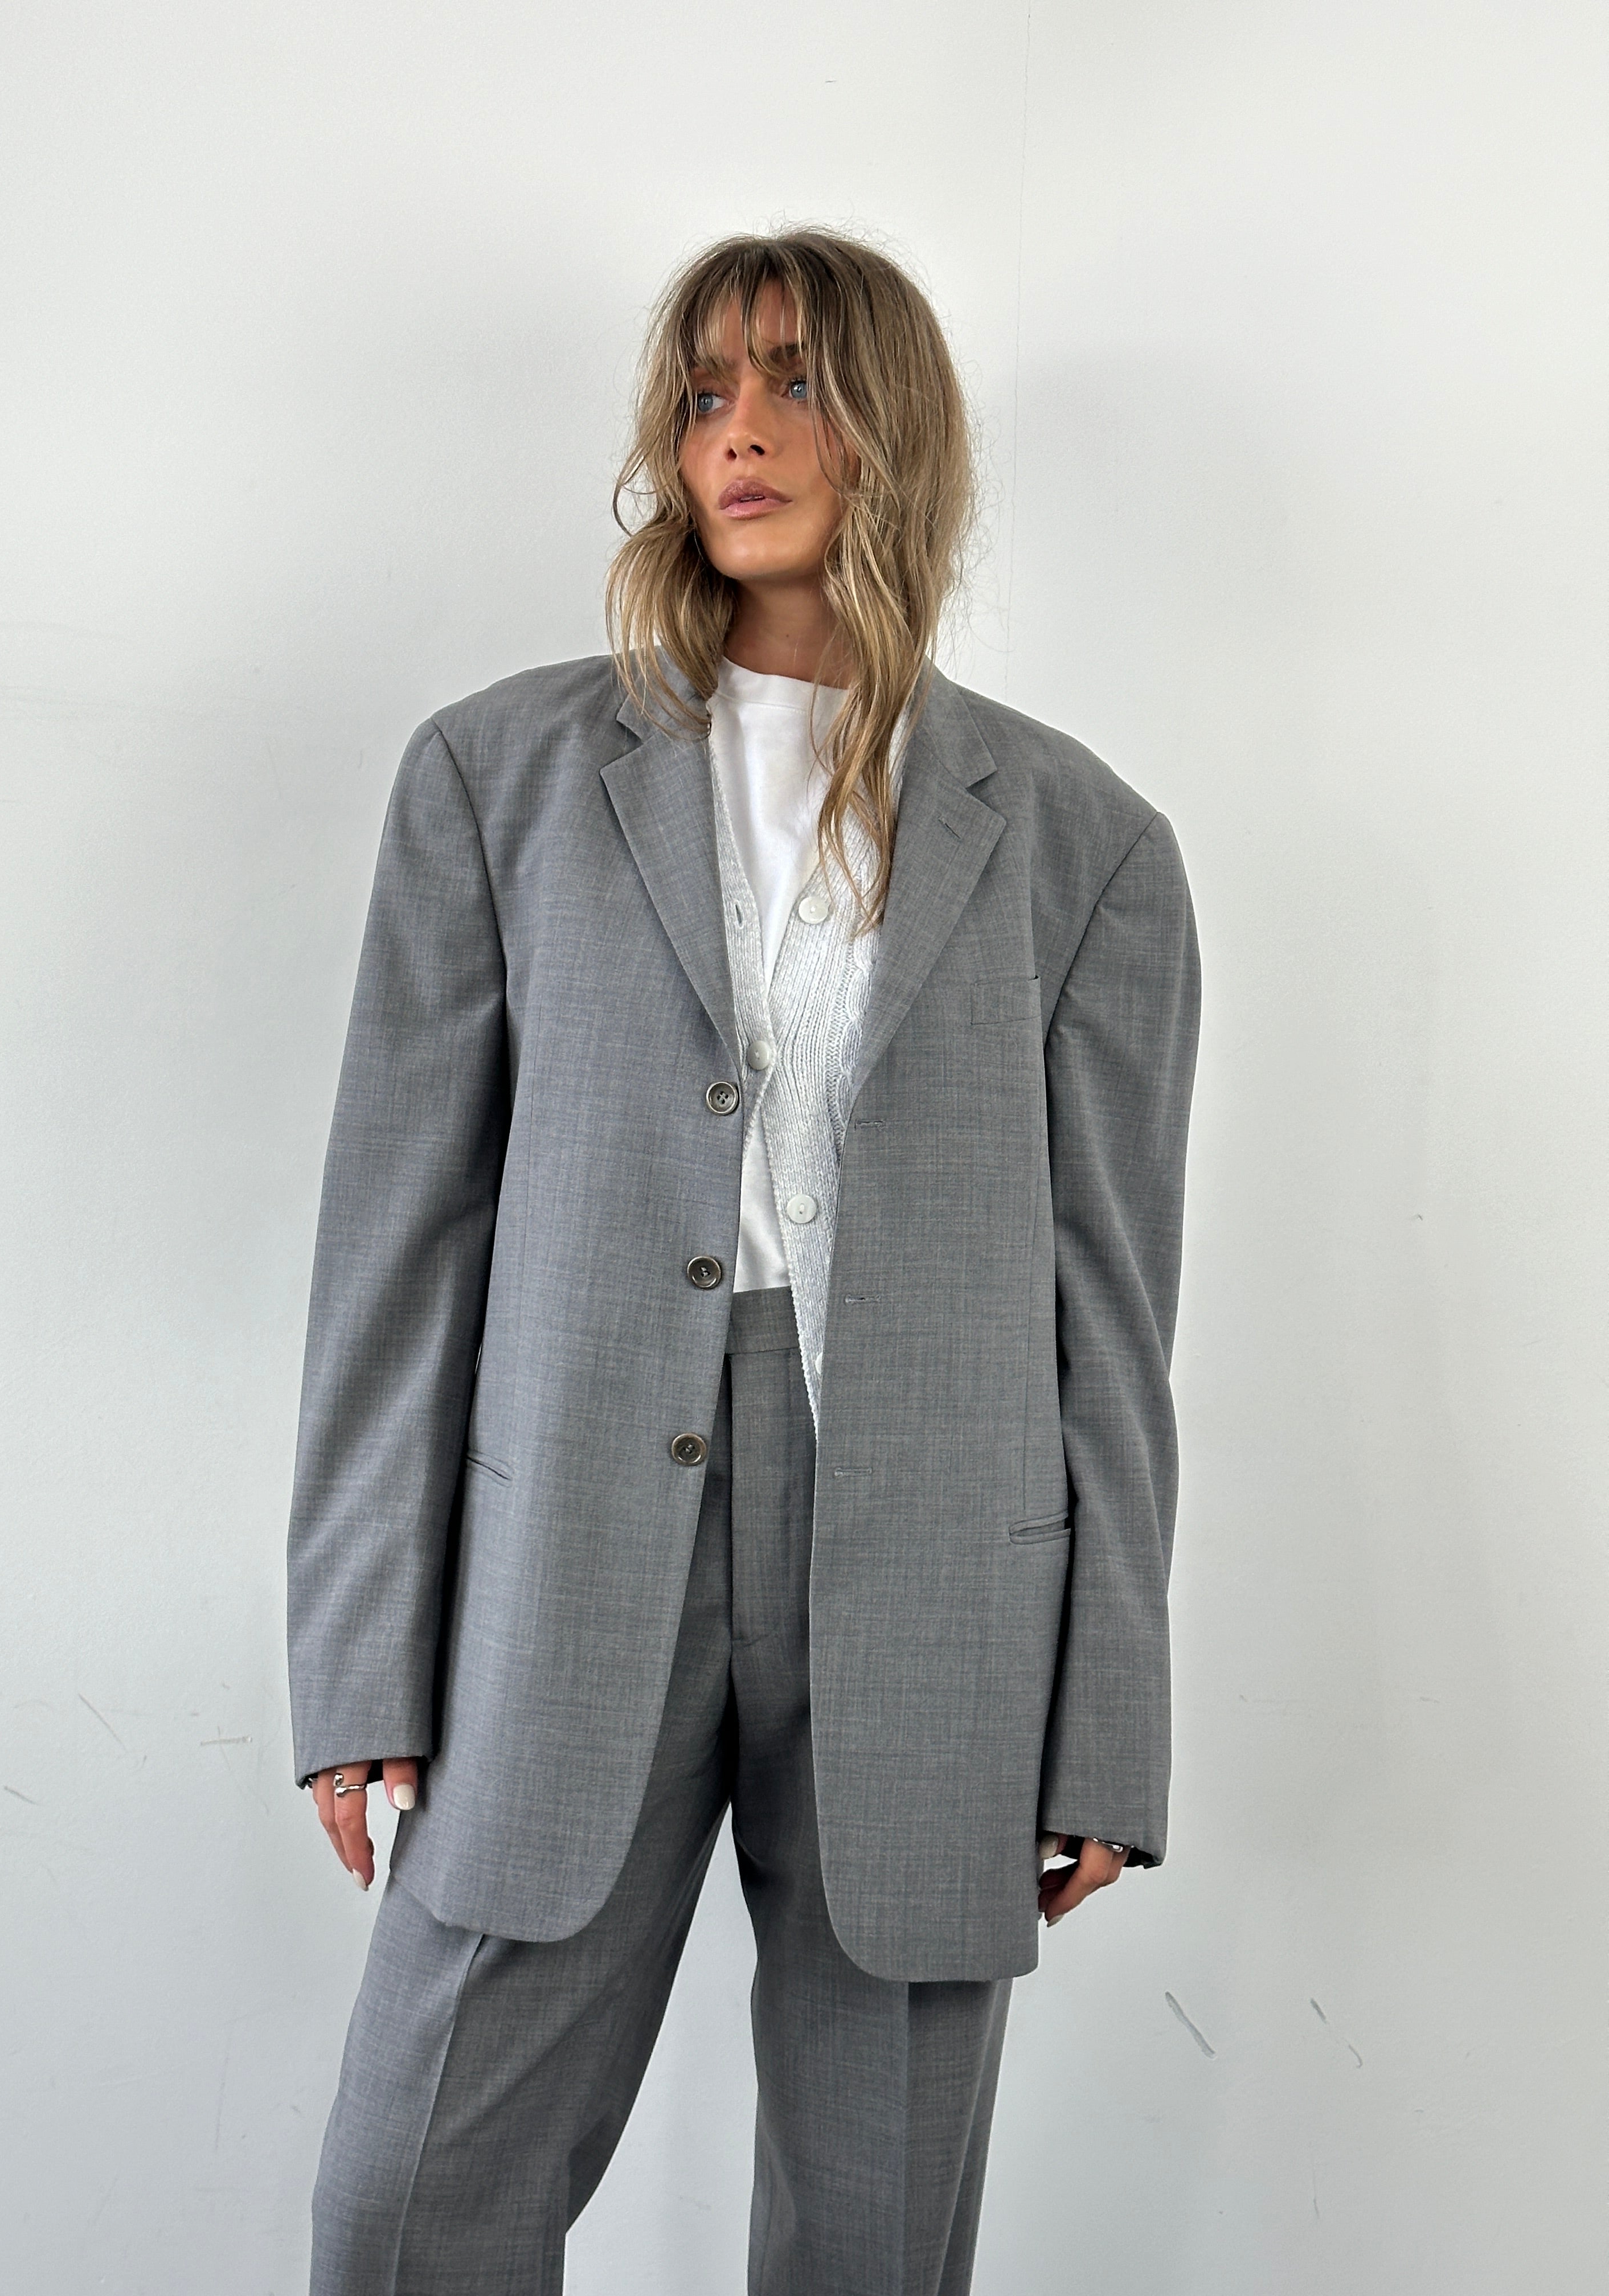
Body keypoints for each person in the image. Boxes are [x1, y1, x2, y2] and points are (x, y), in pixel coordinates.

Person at [285, 227, 1201, 2296]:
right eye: (705, 394)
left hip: (940, 1587)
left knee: (873, 2244)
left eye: (795, 382)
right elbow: (397, 1249)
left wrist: (1108, 1724)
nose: (742, 432)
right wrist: (361, 1661)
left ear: (896, 429)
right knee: (407, 2210)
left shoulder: (1088, 846)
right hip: (565, 1558)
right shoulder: (497, 780)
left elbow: (1114, 1323)